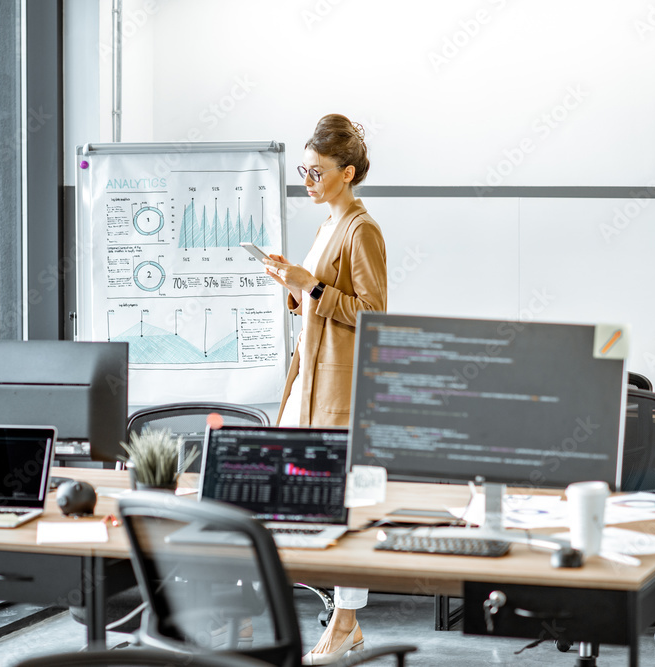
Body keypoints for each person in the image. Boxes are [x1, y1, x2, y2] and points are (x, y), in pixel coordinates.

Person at [263, 114, 387, 665]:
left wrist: (309, 285)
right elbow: (316, 301)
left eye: (317, 172)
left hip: (340, 391)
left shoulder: (362, 229)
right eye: (304, 171)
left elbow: (374, 316)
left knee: (347, 508)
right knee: (291, 502)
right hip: (304, 385)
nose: (308, 180)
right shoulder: (325, 227)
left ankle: (344, 622)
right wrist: (293, 284)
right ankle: (338, 619)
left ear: (348, 173)